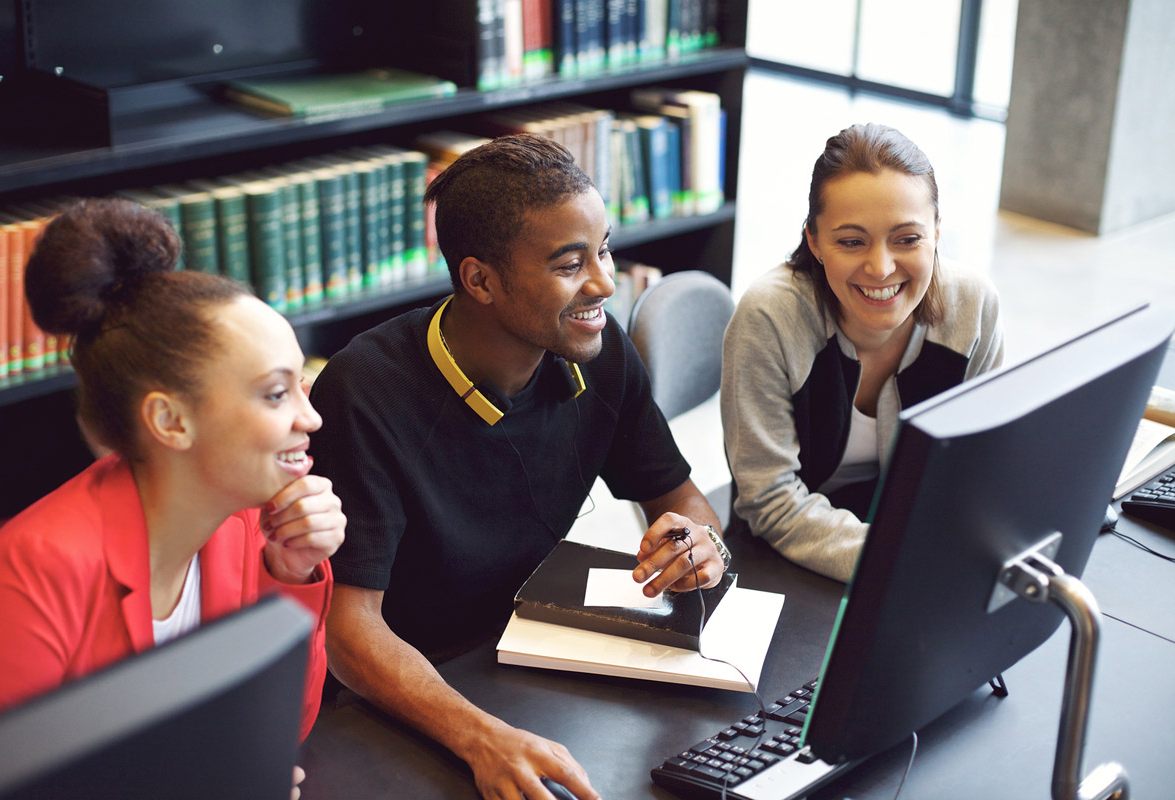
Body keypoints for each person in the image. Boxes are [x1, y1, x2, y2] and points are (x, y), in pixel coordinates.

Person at [309, 133, 727, 800]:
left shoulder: (598, 348)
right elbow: (349, 633)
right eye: (569, 264)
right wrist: (479, 737)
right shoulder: (364, 390)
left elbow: (681, 498)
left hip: (530, 660)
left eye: (605, 249)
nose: (605, 282)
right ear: (480, 279)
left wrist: (698, 543)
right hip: (404, 700)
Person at [0, 199, 345, 793]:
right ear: (170, 421)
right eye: (276, 395)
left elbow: (284, 731)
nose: (311, 418)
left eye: (300, 385)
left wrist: (291, 573)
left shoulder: (248, 522)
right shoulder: (30, 572)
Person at [721, 123, 1004, 583]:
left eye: (907, 239)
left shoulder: (973, 307)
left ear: (936, 232)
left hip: (916, 539)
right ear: (813, 240)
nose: (881, 268)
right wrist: (904, 559)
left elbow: (980, 465)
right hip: (785, 556)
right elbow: (769, 501)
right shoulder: (769, 317)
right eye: (852, 241)